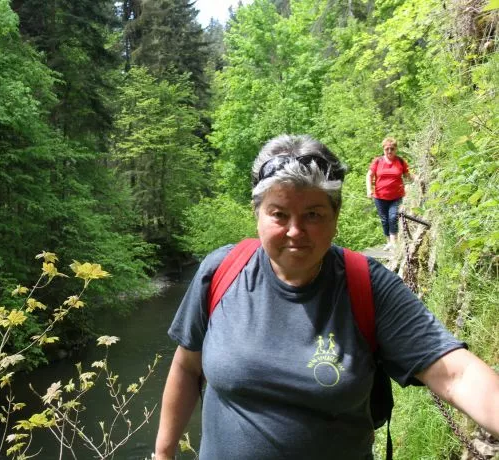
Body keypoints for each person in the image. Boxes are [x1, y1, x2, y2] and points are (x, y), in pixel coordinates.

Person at [154, 134, 499, 459]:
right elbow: (187, 367)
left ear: (335, 215)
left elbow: (456, 374)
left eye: (313, 215)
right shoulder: (222, 271)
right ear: (257, 213)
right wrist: (163, 453)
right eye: (279, 214)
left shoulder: (367, 286)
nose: (295, 231)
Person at [366, 137, 415, 250]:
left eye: (392, 149)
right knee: (384, 219)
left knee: (393, 217)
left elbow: (407, 174)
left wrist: (418, 178)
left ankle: (394, 242)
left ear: (396, 149)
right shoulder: (378, 161)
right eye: (387, 149)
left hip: (396, 196)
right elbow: (369, 175)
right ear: (383, 149)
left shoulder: (400, 161)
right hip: (380, 196)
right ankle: (388, 241)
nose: (389, 151)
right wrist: (369, 190)